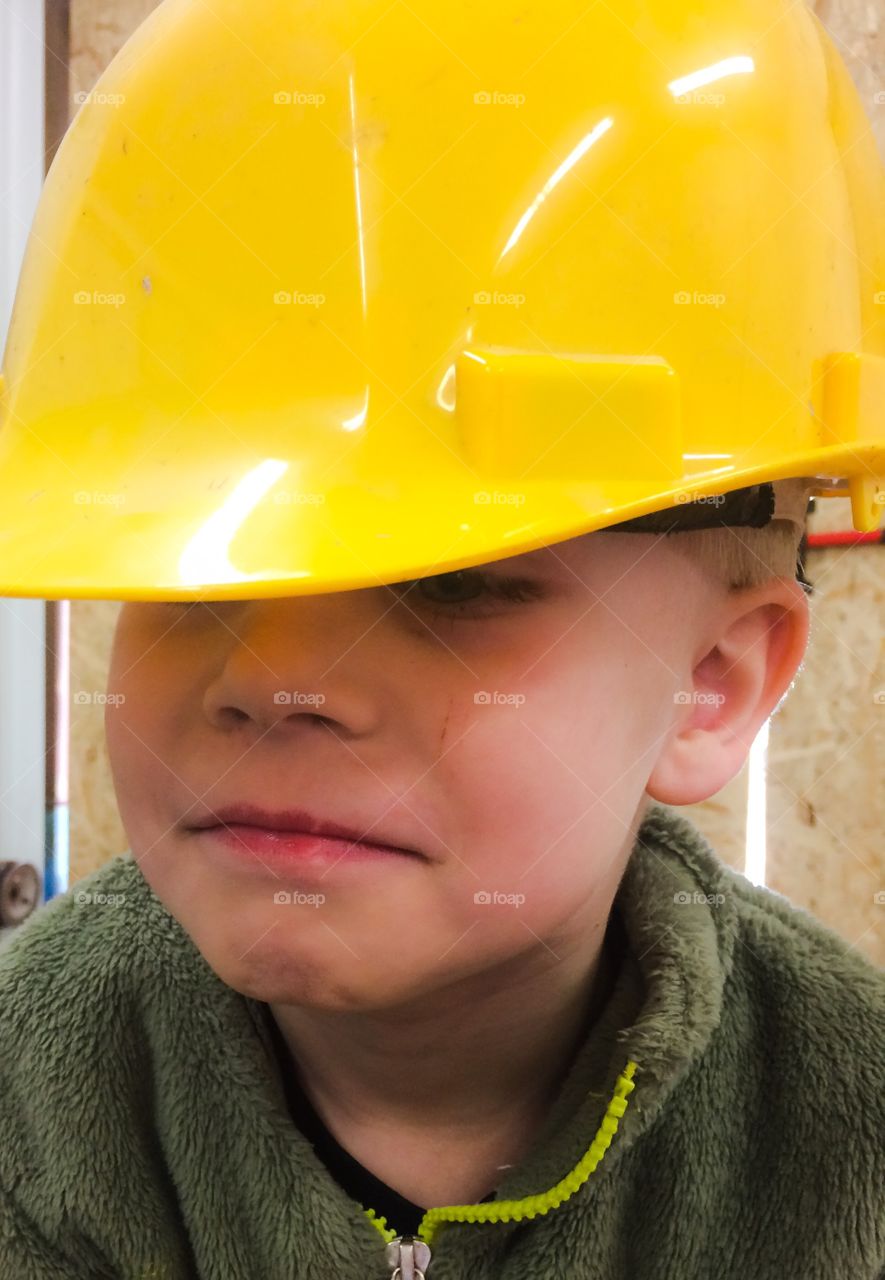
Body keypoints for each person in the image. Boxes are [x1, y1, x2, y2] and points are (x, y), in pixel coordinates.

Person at [0, 1, 883, 1277]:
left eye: (452, 584)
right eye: (200, 571)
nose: (273, 680)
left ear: (709, 683)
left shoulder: (840, 1149)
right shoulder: (41, 1086)